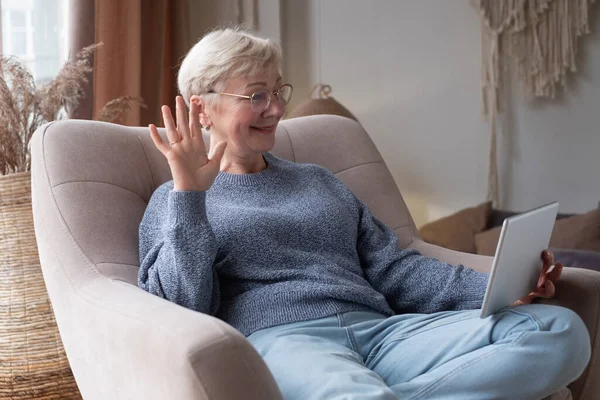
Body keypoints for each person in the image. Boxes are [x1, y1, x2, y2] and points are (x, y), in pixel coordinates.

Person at [137, 27, 590, 400]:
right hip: (285, 342)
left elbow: (395, 269)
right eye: (256, 95)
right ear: (202, 108)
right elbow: (182, 307)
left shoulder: (318, 180)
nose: (276, 109)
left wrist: (500, 286)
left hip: (385, 333)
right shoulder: (174, 202)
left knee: (559, 331)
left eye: (277, 91)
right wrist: (190, 197)